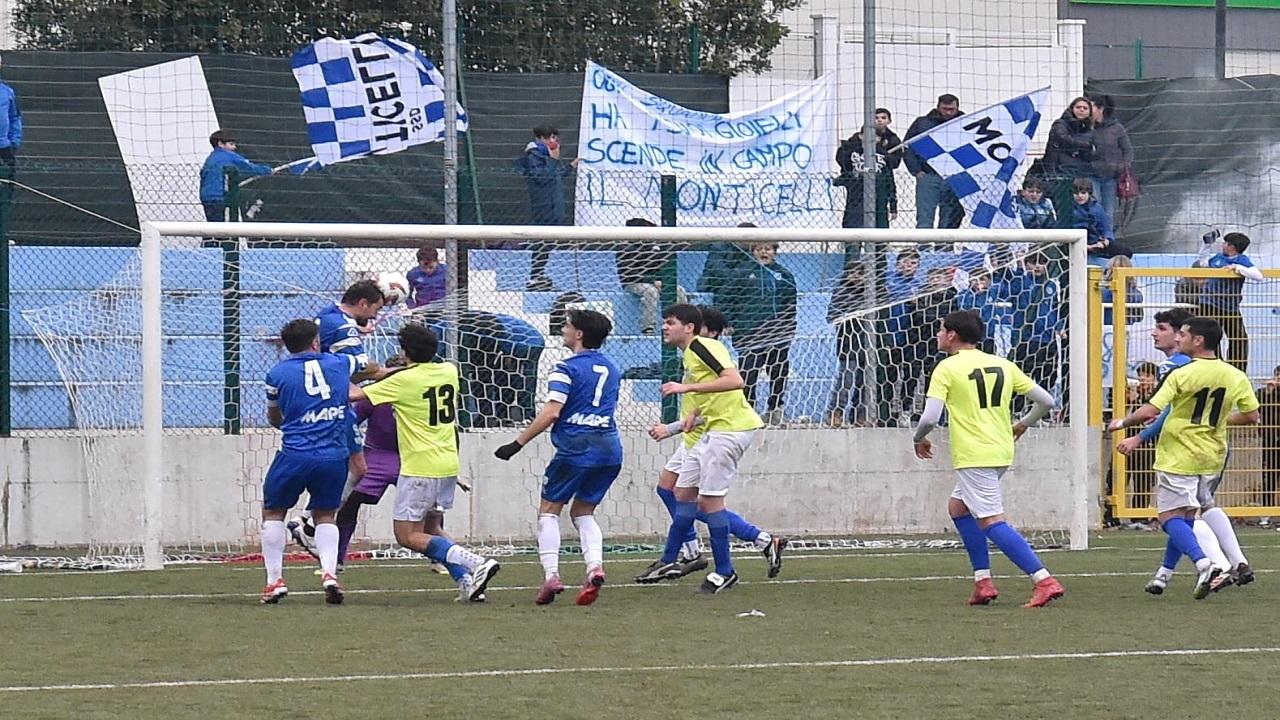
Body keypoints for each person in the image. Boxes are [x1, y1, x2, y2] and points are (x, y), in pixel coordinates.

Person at [912, 310, 1064, 607]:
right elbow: (1047, 400)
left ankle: (1044, 580)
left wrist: (918, 438)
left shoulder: (948, 367)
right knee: (958, 508)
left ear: (953, 335)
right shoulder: (1001, 363)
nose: (938, 334)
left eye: (941, 330)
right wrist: (1023, 423)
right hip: (1001, 449)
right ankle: (983, 582)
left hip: (974, 453)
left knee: (992, 520)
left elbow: (930, 416)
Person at [348, 323, 502, 602]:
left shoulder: (402, 382)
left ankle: (476, 562)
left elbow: (352, 395)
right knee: (432, 530)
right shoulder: (449, 371)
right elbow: (412, 374)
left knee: (407, 536)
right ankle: (467, 583)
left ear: (404, 352)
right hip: (447, 465)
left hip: (419, 468)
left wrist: (343, 369)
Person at [1109, 317, 1260, 599]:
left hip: (1179, 452)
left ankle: (1206, 563)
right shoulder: (1234, 375)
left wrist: (1121, 424)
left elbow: (1150, 410)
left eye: (1184, 334)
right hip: (1212, 453)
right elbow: (1252, 416)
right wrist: (1219, 421)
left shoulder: (1181, 373)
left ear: (1198, 340)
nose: (1180, 339)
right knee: (1191, 514)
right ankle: (1170, 573)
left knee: (1168, 517)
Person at [639, 305, 787, 583]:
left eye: (670, 322)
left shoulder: (702, 346)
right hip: (711, 429)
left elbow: (735, 380)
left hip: (729, 428)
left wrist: (685, 390)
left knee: (707, 501)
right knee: (680, 494)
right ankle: (675, 558)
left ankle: (725, 569)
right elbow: (710, 393)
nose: (664, 327)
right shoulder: (690, 354)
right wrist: (692, 414)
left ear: (690, 327)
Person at [492, 309, 623, 606]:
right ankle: (594, 567)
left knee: (549, 511)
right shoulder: (612, 368)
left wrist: (517, 443)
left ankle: (551, 575)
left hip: (577, 446)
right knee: (584, 512)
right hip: (610, 447)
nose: (563, 329)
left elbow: (552, 411)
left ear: (579, 334)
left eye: (567, 326)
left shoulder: (565, 368)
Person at [259, 318, 366, 605]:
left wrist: (294, 423)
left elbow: (273, 417)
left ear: (287, 345)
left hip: (295, 454)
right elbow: (367, 366)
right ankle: (329, 574)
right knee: (325, 515)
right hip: (333, 456)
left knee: (273, 512)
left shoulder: (276, 373)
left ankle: (274, 582)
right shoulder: (339, 364)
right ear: (316, 341)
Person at [288, 280, 388, 556]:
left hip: (322, 402)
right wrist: (393, 373)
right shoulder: (343, 327)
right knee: (356, 469)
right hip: (337, 405)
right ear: (362, 303)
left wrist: (359, 329)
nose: (373, 318)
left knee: (344, 466)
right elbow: (363, 368)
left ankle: (307, 521)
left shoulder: (328, 314)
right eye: (373, 310)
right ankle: (308, 525)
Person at [734, 241, 798, 424]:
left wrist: (787, 326)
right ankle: (748, 409)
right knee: (748, 373)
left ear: (774, 252)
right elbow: (732, 300)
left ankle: (775, 407)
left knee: (778, 371)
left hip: (778, 334)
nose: (764, 252)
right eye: (759, 249)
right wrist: (734, 325)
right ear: (753, 251)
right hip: (750, 333)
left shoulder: (784, 274)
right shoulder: (743, 273)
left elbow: (790, 303)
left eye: (767, 249)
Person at [514, 125, 578, 291]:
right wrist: (554, 160)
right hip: (544, 208)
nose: (555, 142)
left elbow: (555, 177)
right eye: (552, 138)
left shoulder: (546, 155)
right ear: (542, 138)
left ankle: (539, 274)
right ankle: (535, 276)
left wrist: (570, 167)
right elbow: (541, 178)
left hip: (554, 207)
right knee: (542, 242)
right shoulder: (534, 155)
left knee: (548, 244)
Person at [1195, 231, 1261, 373]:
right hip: (1209, 304)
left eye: (1226, 243)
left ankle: (1236, 371)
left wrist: (1237, 268)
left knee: (1239, 338)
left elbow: (1258, 276)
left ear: (1232, 246)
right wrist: (1206, 245)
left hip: (1230, 307)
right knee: (1211, 337)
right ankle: (1215, 367)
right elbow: (1203, 262)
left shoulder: (1242, 260)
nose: (1223, 245)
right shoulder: (1218, 258)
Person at [616, 218, 688, 334]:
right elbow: (629, 274)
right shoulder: (626, 248)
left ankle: (684, 323)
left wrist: (660, 280)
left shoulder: (654, 248)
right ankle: (648, 328)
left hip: (654, 282)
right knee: (650, 291)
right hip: (633, 283)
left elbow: (660, 268)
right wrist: (652, 281)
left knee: (678, 290)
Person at [904, 94, 964, 230]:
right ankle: (923, 248)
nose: (948, 113)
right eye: (945, 109)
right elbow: (907, 147)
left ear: (957, 108)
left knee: (950, 218)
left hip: (954, 177)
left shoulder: (965, 123)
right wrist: (916, 171)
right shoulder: (923, 123)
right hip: (928, 175)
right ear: (938, 107)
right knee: (925, 216)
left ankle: (945, 248)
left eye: (951, 109)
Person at [834, 108, 900, 229]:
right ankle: (853, 246)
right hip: (856, 193)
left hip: (880, 192)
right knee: (853, 224)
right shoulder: (852, 148)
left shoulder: (887, 149)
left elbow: (891, 176)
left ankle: (880, 247)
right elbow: (843, 163)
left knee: (880, 226)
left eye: (883, 118)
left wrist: (893, 205)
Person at [827, 260, 873, 426]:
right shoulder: (841, 292)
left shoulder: (872, 293)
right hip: (849, 344)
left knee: (865, 383)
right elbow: (831, 316)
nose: (856, 277)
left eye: (860, 273)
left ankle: (859, 416)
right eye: (852, 273)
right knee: (846, 381)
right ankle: (835, 412)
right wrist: (850, 314)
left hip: (869, 345)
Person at [1040, 97, 1094, 229]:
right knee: (1059, 209)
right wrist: (1086, 145)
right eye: (1078, 107)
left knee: (1074, 210)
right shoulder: (1060, 124)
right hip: (1057, 173)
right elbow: (1063, 140)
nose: (1081, 110)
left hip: (1077, 174)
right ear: (1072, 108)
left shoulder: (1088, 130)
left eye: (1085, 108)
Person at [199, 130, 274, 222]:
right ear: (220, 144)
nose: (234, 147)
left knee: (213, 225)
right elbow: (249, 167)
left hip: (206, 197)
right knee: (223, 227)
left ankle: (212, 236)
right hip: (220, 197)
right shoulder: (228, 155)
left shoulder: (211, 159)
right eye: (231, 144)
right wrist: (267, 170)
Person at [1088, 94, 1134, 227]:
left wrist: (1121, 167)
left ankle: (1107, 240)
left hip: (1111, 177)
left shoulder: (1116, 128)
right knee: (1094, 208)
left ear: (1100, 109)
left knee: (1108, 212)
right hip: (1090, 175)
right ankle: (1093, 240)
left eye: (1091, 107)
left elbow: (1128, 150)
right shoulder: (1084, 127)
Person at [1071, 178, 1119, 266]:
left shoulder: (1097, 208)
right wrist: (1087, 247)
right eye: (1076, 193)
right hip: (1075, 245)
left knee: (1125, 251)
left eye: (1083, 193)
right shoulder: (1068, 209)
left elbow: (1105, 228)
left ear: (1089, 193)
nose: (1080, 196)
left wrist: (1106, 241)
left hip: (1096, 243)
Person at [1258, 365, 1280, 508]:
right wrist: (1269, 391)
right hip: (1270, 440)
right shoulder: (1263, 393)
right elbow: (1256, 409)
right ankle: (1266, 512)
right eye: (1277, 375)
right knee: (1269, 475)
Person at [1100, 255, 1143, 326]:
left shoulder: (1101, 293)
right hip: (1127, 328)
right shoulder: (1137, 294)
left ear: (1109, 271)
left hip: (1105, 328)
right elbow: (1139, 318)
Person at [406, 243, 446, 308]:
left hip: (444, 310)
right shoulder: (413, 274)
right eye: (424, 268)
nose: (428, 270)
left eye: (431, 267)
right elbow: (408, 296)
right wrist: (413, 309)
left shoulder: (446, 271)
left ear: (437, 261)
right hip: (423, 310)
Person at [0, 55, 22, 171]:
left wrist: (14, 142)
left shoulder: (7, 91)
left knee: (6, 185)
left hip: (4, 147)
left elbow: (14, 117)